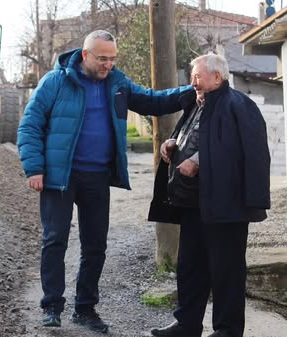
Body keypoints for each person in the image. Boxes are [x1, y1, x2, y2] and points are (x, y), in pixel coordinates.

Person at [17, 30, 192, 332]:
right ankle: (52, 306)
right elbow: (30, 125)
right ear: (85, 55)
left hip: (97, 176)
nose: (108, 64)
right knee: (55, 240)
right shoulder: (55, 82)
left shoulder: (117, 83)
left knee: (95, 245)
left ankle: (85, 309)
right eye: (102, 58)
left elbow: (151, 101)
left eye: (112, 59)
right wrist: (34, 168)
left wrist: (191, 90)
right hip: (60, 176)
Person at [148, 54, 270, 337]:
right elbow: (192, 137)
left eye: (198, 77)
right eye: (193, 77)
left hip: (227, 206)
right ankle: (187, 324)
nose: (193, 83)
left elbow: (241, 151)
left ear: (217, 77)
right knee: (190, 267)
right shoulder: (196, 104)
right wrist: (172, 145)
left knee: (226, 271)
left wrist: (200, 161)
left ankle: (227, 330)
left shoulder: (238, 105)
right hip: (194, 204)